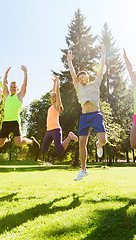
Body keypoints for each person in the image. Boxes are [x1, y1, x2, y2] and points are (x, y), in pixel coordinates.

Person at [67, 45, 107, 181]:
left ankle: (98, 145)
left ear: (88, 78)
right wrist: (69, 62)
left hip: (96, 115)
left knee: (103, 140)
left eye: (83, 77)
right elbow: (73, 74)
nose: (81, 79)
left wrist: (102, 55)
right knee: (81, 143)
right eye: (80, 78)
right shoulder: (78, 87)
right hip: (85, 117)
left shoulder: (95, 84)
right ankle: (83, 169)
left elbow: (100, 69)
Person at [0, 66, 40, 149]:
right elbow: (5, 83)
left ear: (17, 88)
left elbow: (25, 85)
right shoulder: (7, 96)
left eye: (14, 87)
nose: (13, 88)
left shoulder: (20, 96)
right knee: (0, 144)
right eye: (11, 87)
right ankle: (7, 138)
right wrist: (6, 74)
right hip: (5, 122)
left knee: (19, 142)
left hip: (15, 122)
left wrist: (25, 73)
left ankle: (31, 141)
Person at [41, 74, 78, 155]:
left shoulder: (56, 105)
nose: (52, 98)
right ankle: (54, 140)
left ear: (56, 98)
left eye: (54, 97)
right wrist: (54, 83)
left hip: (56, 130)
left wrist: (58, 81)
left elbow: (56, 92)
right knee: (43, 150)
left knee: (59, 150)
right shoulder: (51, 106)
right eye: (51, 97)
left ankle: (69, 136)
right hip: (48, 131)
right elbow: (53, 92)